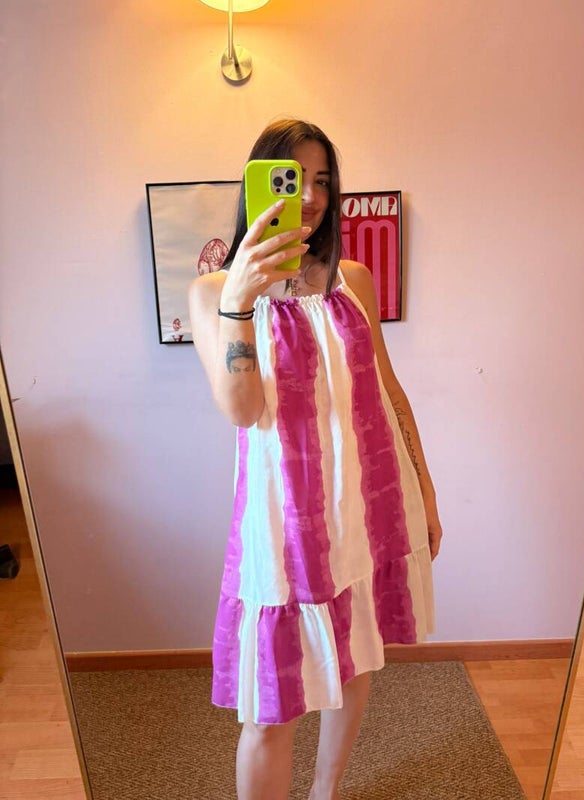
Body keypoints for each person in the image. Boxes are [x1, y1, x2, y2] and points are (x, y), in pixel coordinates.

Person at [188, 119, 443, 800]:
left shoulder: (351, 280)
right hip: (282, 528)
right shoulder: (214, 293)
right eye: (293, 179)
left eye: (323, 180)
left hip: (366, 507)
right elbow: (242, 410)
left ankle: (325, 792)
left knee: (356, 661)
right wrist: (240, 301)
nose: (311, 197)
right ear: (258, 185)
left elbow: (389, 392)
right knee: (269, 714)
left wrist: (426, 493)